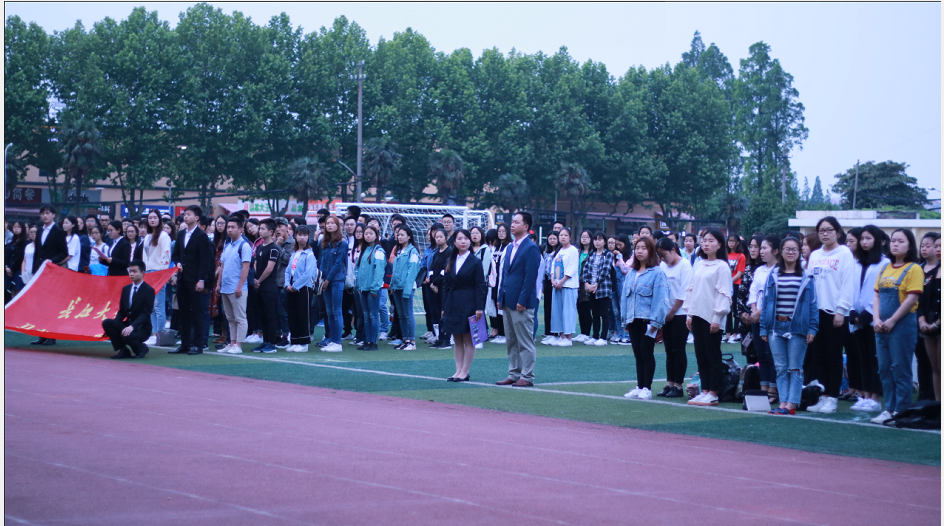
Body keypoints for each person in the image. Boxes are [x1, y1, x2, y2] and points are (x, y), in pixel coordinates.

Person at [760, 236, 818, 415]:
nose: (791, 252)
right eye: (787, 249)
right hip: (775, 327)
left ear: (800, 252)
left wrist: (812, 328)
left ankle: (792, 404)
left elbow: (813, 304)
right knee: (780, 368)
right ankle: (783, 402)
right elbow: (766, 302)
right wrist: (763, 327)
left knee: (795, 367)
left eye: (794, 249)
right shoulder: (773, 274)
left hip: (797, 328)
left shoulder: (806, 276)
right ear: (781, 251)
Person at [871, 229, 923, 424]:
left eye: (901, 241)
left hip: (902, 325)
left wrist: (892, 320)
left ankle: (902, 411)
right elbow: (876, 295)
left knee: (900, 369)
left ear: (909, 246)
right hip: (881, 325)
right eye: (893, 241)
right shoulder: (885, 267)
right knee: (884, 369)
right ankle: (889, 409)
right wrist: (876, 318)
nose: (895, 244)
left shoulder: (914, 269)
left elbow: (912, 298)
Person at [805, 216, 855, 414]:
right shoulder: (815, 255)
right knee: (818, 357)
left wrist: (841, 310)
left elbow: (847, 284)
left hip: (835, 312)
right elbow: (809, 283)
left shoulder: (844, 254)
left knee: (833, 356)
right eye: (821, 231)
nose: (825, 234)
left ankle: (833, 397)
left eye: (829, 230)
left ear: (838, 233)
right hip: (816, 312)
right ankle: (823, 396)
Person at [683, 228, 732, 407]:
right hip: (697, 314)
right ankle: (704, 390)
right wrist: (689, 313)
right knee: (701, 355)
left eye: (711, 240)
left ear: (719, 245)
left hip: (712, 317)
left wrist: (717, 317)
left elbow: (723, 294)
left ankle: (713, 392)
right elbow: (692, 289)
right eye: (704, 240)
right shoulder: (699, 264)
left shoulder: (722, 266)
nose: (706, 244)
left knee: (712, 355)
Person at [495, 212, 542, 387]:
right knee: (511, 340)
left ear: (526, 226)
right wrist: (500, 297)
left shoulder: (531, 248)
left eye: (516, 222)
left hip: (522, 302)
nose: (512, 225)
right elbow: (505, 274)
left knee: (525, 340)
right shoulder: (509, 247)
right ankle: (514, 373)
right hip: (507, 299)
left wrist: (522, 300)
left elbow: (531, 277)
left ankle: (527, 376)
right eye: (512, 222)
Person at [621, 236, 669, 400]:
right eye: (637, 248)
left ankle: (647, 388)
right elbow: (624, 297)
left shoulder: (657, 273)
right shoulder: (631, 273)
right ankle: (639, 385)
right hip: (633, 319)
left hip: (648, 320)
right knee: (637, 353)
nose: (639, 251)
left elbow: (660, 299)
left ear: (651, 251)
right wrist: (625, 319)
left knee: (646, 352)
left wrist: (656, 322)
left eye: (644, 248)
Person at [849, 225, 888, 412]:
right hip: (856, 317)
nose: (864, 242)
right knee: (862, 358)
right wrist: (852, 311)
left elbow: (883, 292)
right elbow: (850, 289)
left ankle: (875, 397)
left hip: (874, 318)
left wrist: (868, 313)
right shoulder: (856, 263)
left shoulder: (885, 263)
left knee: (874, 359)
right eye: (862, 238)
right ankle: (864, 396)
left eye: (869, 238)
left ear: (878, 241)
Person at [441, 229, 487, 380]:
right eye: (460, 239)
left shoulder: (476, 261)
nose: (463, 241)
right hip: (452, 302)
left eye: (466, 238)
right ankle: (458, 370)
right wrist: (444, 307)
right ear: (454, 242)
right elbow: (446, 286)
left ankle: (465, 371)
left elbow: (480, 286)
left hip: (469, 302)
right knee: (457, 338)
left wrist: (479, 307)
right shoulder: (451, 260)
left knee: (468, 339)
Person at [170, 205, 212, 355]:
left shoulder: (201, 236)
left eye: (188, 214)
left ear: (197, 217)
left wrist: (201, 280)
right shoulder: (181, 234)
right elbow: (176, 254)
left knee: (197, 312)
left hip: (195, 279)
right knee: (183, 312)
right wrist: (177, 264)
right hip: (182, 278)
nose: (185, 217)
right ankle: (185, 344)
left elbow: (205, 260)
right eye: (184, 214)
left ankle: (198, 345)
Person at [746, 234, 781, 403]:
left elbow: (773, 297)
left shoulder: (780, 270)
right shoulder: (759, 270)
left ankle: (774, 389)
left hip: (772, 318)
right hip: (757, 319)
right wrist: (754, 311)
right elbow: (753, 292)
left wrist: (759, 312)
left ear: (775, 251)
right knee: (761, 355)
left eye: (764, 248)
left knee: (772, 354)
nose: (761, 251)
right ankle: (763, 389)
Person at [656, 238, 693, 398]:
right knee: (669, 350)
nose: (662, 258)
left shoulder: (684, 265)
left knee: (678, 349)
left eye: (664, 254)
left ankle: (678, 386)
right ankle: (670, 383)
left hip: (680, 314)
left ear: (673, 250)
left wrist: (672, 311)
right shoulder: (663, 265)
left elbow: (684, 292)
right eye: (659, 256)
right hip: (666, 313)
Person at [102, 260, 155, 359]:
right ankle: (123, 350)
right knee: (107, 323)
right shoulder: (126, 289)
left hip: (142, 328)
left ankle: (141, 348)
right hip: (128, 324)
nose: (131, 274)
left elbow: (146, 313)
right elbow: (122, 311)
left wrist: (132, 327)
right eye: (130, 271)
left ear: (143, 273)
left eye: (134, 271)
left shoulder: (149, 290)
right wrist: (113, 327)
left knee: (126, 334)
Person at [215, 217, 252, 354]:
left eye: (233, 227)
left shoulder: (244, 246)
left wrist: (240, 286)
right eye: (228, 227)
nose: (229, 230)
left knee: (240, 318)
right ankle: (232, 343)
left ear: (240, 229)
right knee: (230, 318)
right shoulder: (228, 245)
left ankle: (238, 345)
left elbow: (246, 268)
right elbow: (222, 266)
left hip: (237, 288)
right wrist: (218, 284)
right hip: (225, 287)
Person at [915, 232, 941, 401]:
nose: (938, 249)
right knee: (935, 368)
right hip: (928, 324)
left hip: (938, 324)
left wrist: (937, 324)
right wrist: (922, 320)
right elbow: (922, 300)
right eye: (936, 246)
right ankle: (938, 405)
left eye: (940, 246)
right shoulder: (925, 271)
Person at [250, 219, 282, 353]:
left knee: (270, 315)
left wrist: (259, 280)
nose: (260, 231)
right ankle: (265, 342)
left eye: (263, 229)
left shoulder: (274, 248)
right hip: (259, 287)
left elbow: (269, 268)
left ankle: (271, 343)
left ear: (271, 232)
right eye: (260, 228)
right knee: (261, 315)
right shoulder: (260, 247)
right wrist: (255, 279)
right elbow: (256, 264)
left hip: (269, 287)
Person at [285, 225, 318, 352]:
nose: (302, 237)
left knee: (303, 315)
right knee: (293, 315)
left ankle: (304, 343)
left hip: (304, 288)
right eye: (300, 235)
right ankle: (295, 341)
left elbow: (308, 274)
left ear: (308, 237)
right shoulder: (294, 253)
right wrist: (287, 284)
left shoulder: (309, 254)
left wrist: (295, 286)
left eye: (304, 235)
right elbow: (288, 271)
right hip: (291, 287)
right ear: (295, 236)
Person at [318, 216, 348, 352]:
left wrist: (327, 280)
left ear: (337, 226)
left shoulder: (342, 243)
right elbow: (323, 262)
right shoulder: (324, 242)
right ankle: (331, 339)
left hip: (336, 280)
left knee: (336, 311)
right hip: (325, 281)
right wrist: (321, 278)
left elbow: (338, 264)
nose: (329, 225)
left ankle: (337, 342)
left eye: (332, 223)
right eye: (327, 223)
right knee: (329, 312)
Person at [142, 209, 172, 346]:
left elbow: (166, 254)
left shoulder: (164, 236)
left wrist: (163, 273)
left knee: (159, 305)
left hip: (158, 272)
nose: (152, 220)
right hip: (147, 272)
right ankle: (154, 333)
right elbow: (144, 256)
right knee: (151, 305)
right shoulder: (147, 236)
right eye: (150, 218)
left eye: (155, 217)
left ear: (159, 219)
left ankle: (159, 334)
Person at [390, 225, 421, 350]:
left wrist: (407, 289)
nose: (399, 237)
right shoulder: (398, 250)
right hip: (397, 287)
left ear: (409, 236)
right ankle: (405, 339)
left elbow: (412, 271)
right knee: (401, 315)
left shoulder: (413, 251)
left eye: (402, 235)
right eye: (398, 235)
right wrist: (392, 285)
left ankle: (411, 341)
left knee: (408, 314)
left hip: (406, 287)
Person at [355, 226, 386, 351]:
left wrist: (374, 288)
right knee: (366, 316)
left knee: (373, 316)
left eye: (371, 233)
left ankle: (373, 342)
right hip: (363, 288)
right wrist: (358, 285)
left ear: (376, 235)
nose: (368, 236)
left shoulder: (378, 251)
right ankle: (367, 341)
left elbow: (379, 271)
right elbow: (358, 269)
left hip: (372, 289)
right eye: (366, 233)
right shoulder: (364, 250)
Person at [581, 232, 614, 346]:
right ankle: (595, 336)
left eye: (600, 239)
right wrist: (586, 283)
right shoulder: (591, 254)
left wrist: (596, 284)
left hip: (603, 288)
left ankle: (603, 337)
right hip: (591, 288)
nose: (597, 242)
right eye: (595, 239)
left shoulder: (608, 254)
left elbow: (605, 270)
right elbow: (586, 269)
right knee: (594, 313)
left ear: (604, 241)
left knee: (604, 313)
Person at [549, 228, 580, 347]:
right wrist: (553, 279)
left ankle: (568, 337)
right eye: (561, 235)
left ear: (570, 237)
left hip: (568, 285)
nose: (563, 237)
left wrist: (562, 282)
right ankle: (561, 335)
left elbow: (572, 268)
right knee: (558, 311)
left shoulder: (573, 251)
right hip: (557, 285)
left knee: (568, 311)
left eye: (565, 235)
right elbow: (553, 267)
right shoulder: (559, 250)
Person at [427, 228, 453, 349]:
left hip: (444, 287)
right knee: (437, 312)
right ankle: (439, 338)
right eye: (436, 237)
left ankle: (446, 340)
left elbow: (445, 271)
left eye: (441, 236)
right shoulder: (436, 253)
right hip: (435, 287)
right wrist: (432, 283)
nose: (438, 239)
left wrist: (436, 282)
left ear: (446, 238)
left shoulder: (450, 252)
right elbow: (432, 269)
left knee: (444, 312)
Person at [470, 226, 493, 349]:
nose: (474, 235)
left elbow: (485, 269)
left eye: (477, 233)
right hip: (468, 285)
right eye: (472, 233)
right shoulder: (468, 248)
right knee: (470, 310)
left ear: (481, 235)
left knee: (479, 309)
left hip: (480, 284)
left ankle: (481, 338)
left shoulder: (485, 249)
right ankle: (472, 336)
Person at [488, 223, 510, 343]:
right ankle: (498, 332)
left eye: (503, 231)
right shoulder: (495, 247)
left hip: (503, 280)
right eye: (499, 231)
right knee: (495, 305)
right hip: (494, 280)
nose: (501, 233)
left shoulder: (509, 246)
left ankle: (504, 334)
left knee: (502, 306)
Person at [540, 231, 561, 345]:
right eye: (550, 238)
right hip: (547, 281)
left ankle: (555, 333)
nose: (552, 240)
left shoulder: (560, 252)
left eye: (554, 238)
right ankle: (548, 332)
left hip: (556, 282)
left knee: (555, 307)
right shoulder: (546, 253)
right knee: (547, 307)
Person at [725, 234, 746, 343]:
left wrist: (729, 281)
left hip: (736, 284)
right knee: (727, 308)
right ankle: (727, 333)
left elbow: (739, 273)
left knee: (736, 309)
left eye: (733, 241)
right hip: (726, 284)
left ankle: (736, 333)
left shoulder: (741, 256)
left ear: (738, 243)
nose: (731, 243)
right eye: (729, 241)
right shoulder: (725, 255)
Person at [575, 230, 594, 342]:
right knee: (579, 308)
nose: (584, 239)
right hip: (575, 284)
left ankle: (587, 333)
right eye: (582, 237)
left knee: (586, 308)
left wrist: (581, 280)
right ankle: (582, 333)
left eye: (587, 237)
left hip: (586, 283)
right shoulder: (578, 252)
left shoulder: (593, 254)